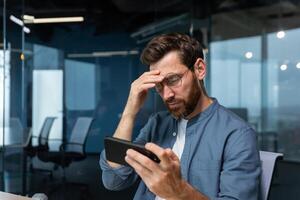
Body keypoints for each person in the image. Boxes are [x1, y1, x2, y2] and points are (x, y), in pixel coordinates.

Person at [100, 33, 261, 200]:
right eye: (159, 86)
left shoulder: (237, 134)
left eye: (173, 79)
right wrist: (130, 111)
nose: (166, 94)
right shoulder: (157, 124)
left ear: (199, 69)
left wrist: (177, 191)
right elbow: (115, 180)